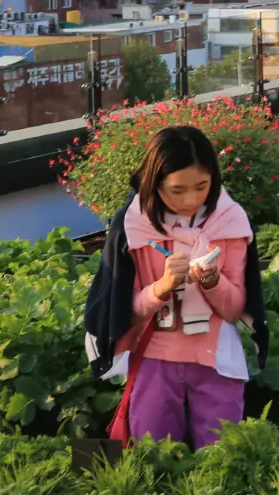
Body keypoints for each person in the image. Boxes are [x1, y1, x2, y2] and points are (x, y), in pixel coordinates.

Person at [83, 126, 268, 449]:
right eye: (176, 190)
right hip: (155, 358)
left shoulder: (230, 221)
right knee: (154, 458)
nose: (190, 200)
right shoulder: (135, 225)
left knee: (221, 459)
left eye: (201, 187)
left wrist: (212, 281)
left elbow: (235, 307)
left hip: (217, 359)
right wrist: (163, 286)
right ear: (154, 184)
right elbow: (125, 308)